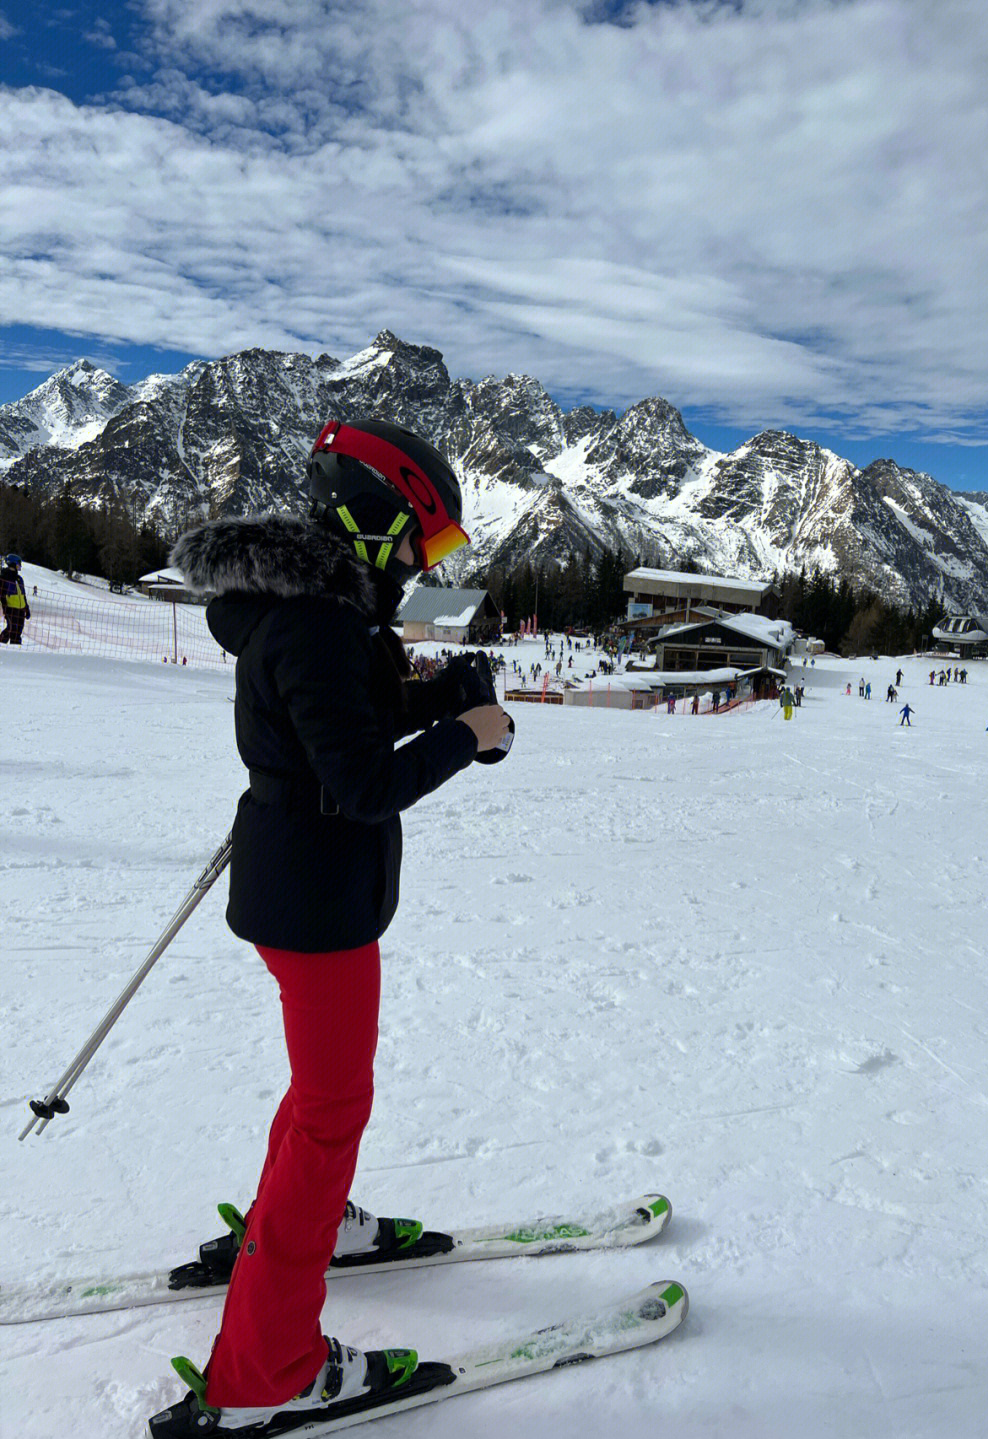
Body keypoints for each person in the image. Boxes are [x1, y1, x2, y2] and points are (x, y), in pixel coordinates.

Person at [160, 419, 510, 1433]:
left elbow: (342, 722)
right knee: (330, 1112)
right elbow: (359, 781)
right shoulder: (316, 624)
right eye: (421, 540)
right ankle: (269, 1366)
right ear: (371, 519)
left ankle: (311, 1226)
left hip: (304, 889)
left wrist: (442, 694)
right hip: (318, 904)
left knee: (323, 1098)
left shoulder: (311, 610)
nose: (420, 563)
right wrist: (463, 733)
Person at [0, 553, 30, 644]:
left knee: (18, 631)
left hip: (21, 609)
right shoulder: (4, 578)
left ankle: (16, 649)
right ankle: (1, 644)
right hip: (11, 608)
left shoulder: (19, 579)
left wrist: (27, 608)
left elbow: (23, 595)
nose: (20, 566)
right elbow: (1, 595)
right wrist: (5, 608)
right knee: (11, 628)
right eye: (18, 564)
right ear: (13, 564)